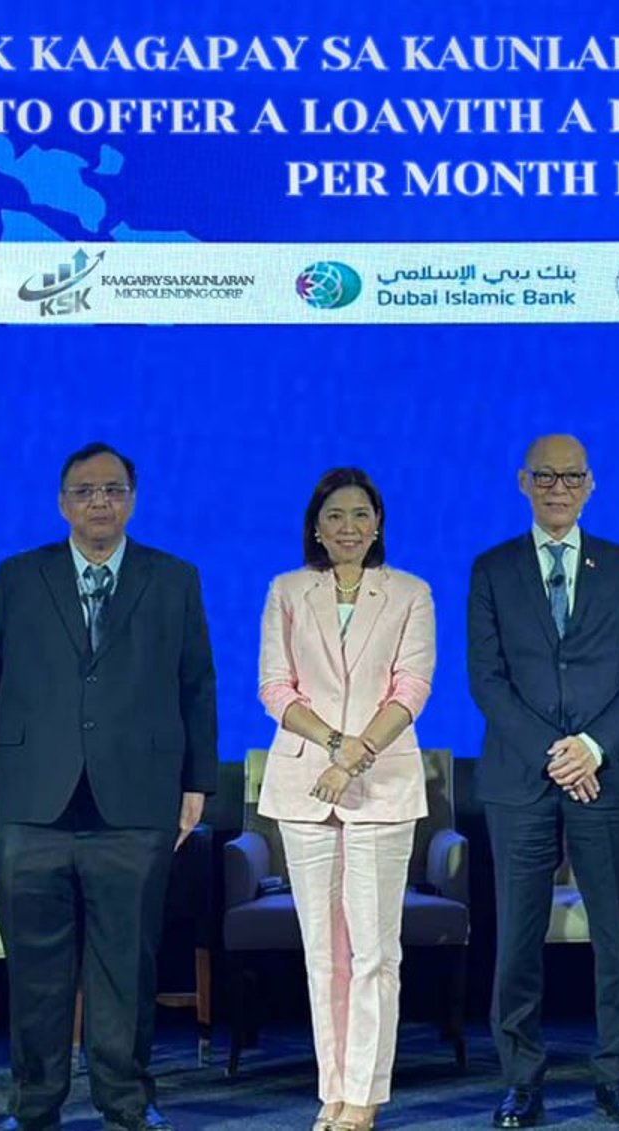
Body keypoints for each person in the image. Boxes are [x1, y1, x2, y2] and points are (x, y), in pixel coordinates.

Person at [0, 443, 218, 1131]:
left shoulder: (174, 578)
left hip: (136, 801)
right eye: (84, 490)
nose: (99, 501)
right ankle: (34, 1104)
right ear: (61, 502)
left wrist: (197, 782)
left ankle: (127, 1101)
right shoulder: (20, 576)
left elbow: (197, 685)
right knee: (35, 973)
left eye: (112, 488)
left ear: (132, 498)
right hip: (31, 802)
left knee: (125, 968)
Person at [468, 434, 619, 1128]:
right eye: (546, 476)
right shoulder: (491, 570)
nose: (559, 487)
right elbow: (487, 681)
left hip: (604, 779)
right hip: (519, 780)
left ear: (591, 484)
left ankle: (617, 1075)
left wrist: (591, 747)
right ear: (523, 481)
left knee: (615, 934)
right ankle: (521, 1079)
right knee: (517, 938)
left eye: (572, 476)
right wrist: (555, 752)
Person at [257, 468, 435, 1131]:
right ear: (315, 526)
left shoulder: (410, 592)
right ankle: (332, 1088)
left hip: (383, 785)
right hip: (305, 783)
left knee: (374, 951)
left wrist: (357, 755)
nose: (349, 527)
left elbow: (411, 686)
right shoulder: (287, 590)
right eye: (336, 516)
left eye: (362, 514)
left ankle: (364, 1094)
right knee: (321, 953)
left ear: (379, 523)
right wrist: (335, 746)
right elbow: (276, 688)